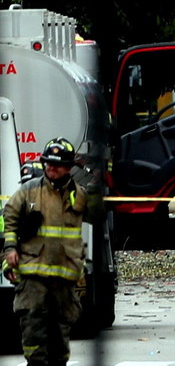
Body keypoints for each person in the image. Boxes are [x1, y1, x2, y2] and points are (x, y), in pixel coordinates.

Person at [1, 137, 95, 366]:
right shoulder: (29, 191)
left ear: (69, 167)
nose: (51, 168)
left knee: (60, 334)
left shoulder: (80, 195)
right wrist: (10, 252)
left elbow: (100, 216)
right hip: (33, 274)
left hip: (64, 276)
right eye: (48, 163)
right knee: (33, 328)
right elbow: (8, 220)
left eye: (58, 164)